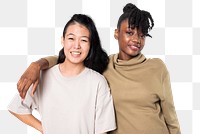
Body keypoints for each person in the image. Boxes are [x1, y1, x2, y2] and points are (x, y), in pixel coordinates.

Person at [16, 3, 181, 134]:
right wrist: (37, 65)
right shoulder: (104, 65)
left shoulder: (157, 67)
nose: (136, 39)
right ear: (116, 33)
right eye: (130, 32)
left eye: (142, 35)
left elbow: (171, 116)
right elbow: (71, 57)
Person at [8, 14, 116, 134]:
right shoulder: (44, 77)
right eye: (71, 38)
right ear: (62, 40)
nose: (77, 45)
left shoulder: (98, 82)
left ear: (90, 46)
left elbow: (103, 130)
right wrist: (43, 128)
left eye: (84, 40)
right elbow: (16, 107)